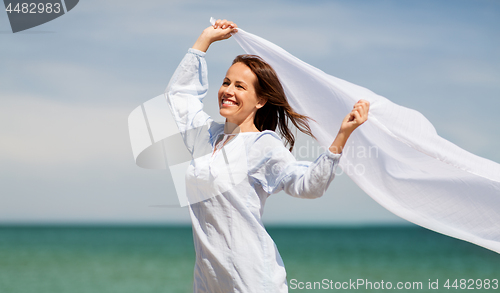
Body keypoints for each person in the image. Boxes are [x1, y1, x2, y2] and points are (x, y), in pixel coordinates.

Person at [165, 19, 370, 293]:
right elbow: (180, 96)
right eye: (226, 82)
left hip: (253, 283)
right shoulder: (206, 136)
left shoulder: (263, 145)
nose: (228, 91)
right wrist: (204, 40)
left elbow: (308, 186)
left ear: (260, 101)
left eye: (240, 86)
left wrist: (342, 136)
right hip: (208, 283)